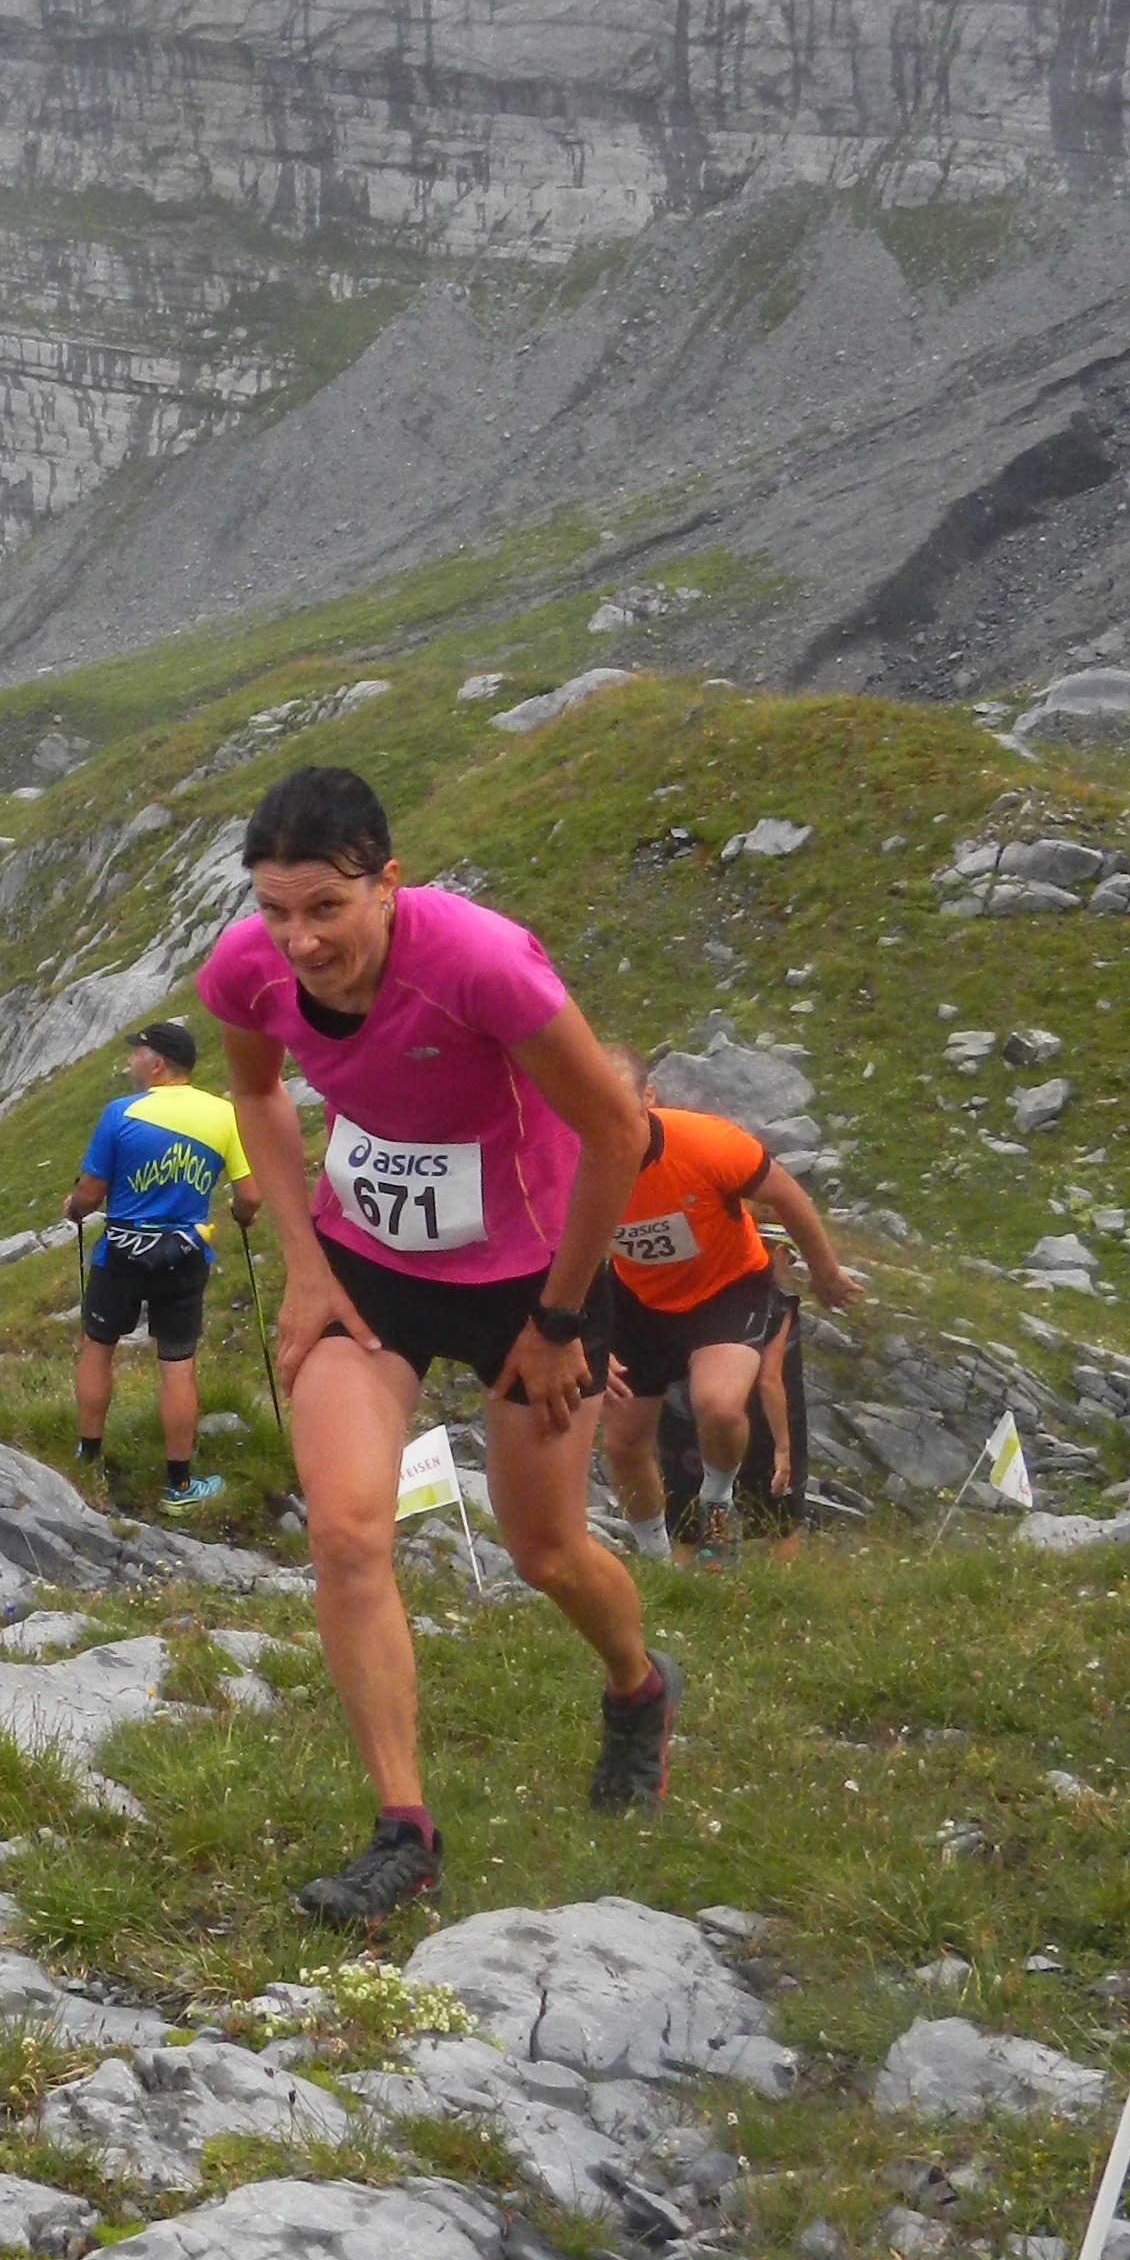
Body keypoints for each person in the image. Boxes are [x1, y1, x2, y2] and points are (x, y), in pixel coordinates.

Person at [202, 762, 678, 1928]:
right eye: (275, 909)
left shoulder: (479, 961)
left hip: (530, 1277)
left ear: (388, 883)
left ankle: (637, 1688)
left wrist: (559, 1321)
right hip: (367, 1264)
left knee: (545, 1550)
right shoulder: (246, 969)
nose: (301, 941)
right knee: (346, 1532)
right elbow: (258, 1097)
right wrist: (307, 1263)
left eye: (327, 906)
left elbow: (619, 1132)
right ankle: (404, 1833)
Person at [598, 1061, 866, 1567]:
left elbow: (787, 1196)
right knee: (622, 1443)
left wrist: (826, 1273)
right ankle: (657, 1564)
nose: (608, 1124)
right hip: (639, 1300)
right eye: (592, 1108)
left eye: (620, 1108)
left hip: (727, 1288)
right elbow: (551, 1245)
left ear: (649, 1096)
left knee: (718, 1406)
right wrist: (576, 1331)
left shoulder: (706, 1143)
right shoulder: (569, 1158)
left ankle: (717, 1498)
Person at [64, 1017, 260, 1512]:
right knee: (177, 1363)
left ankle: (88, 1458)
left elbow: (91, 1193)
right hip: (185, 1257)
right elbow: (250, 1196)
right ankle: (179, 1484)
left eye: (137, 1053)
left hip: (122, 1254)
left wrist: (74, 1209)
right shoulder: (223, 1114)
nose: (131, 1061)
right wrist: (240, 1215)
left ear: (158, 1064)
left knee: (98, 1347)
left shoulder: (120, 1114)